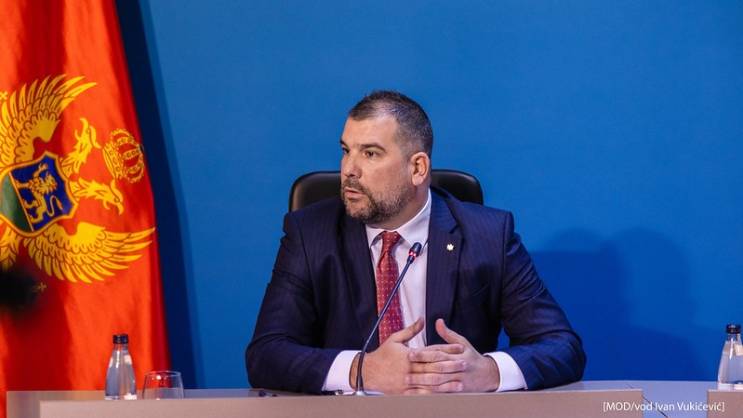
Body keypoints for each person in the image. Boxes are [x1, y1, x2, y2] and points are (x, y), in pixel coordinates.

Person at [246, 91, 585, 395]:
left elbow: (562, 347)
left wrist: (488, 372)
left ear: (418, 168)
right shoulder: (311, 233)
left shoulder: (488, 236)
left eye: (370, 154)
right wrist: (362, 370)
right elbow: (266, 354)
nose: (349, 169)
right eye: (346, 151)